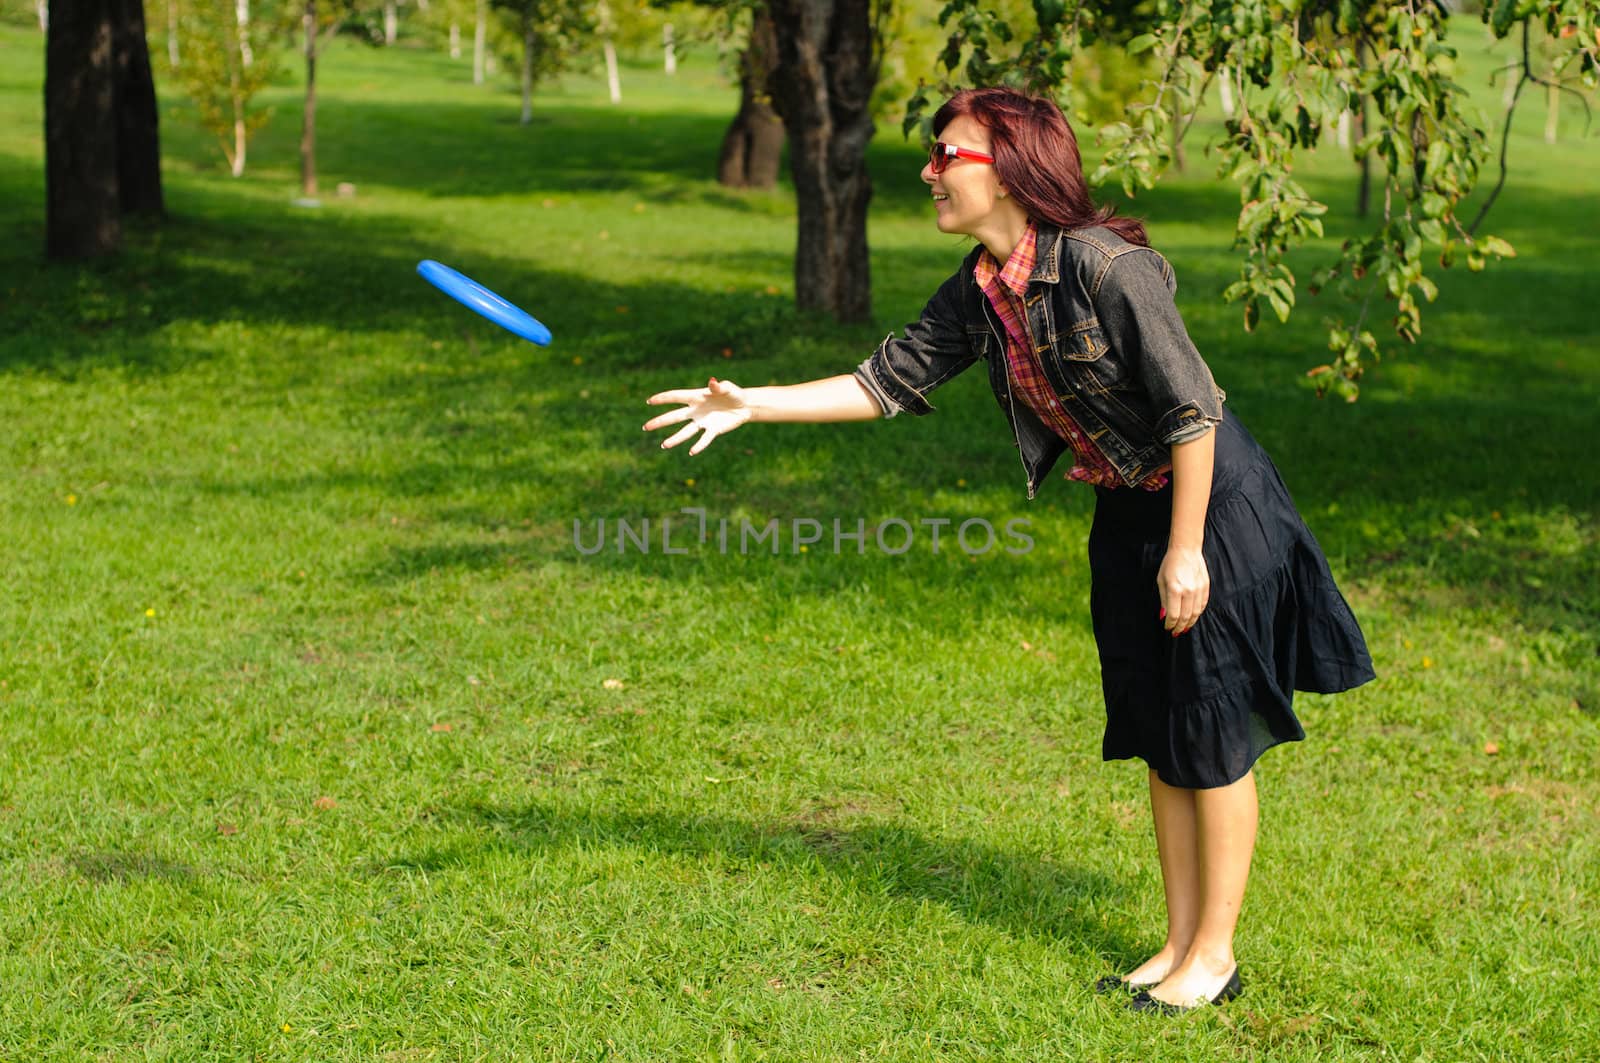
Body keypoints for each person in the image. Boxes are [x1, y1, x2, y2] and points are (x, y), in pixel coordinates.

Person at [641, 88, 1375, 1013]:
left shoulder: (1108, 268)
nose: (930, 171)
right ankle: (1179, 939)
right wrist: (754, 402)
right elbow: (886, 380)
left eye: (949, 155)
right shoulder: (983, 285)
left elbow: (1196, 409)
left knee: (1215, 727)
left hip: (1211, 505)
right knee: (1160, 726)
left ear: (1013, 167)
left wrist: (1187, 550)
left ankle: (1215, 956)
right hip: (1126, 507)